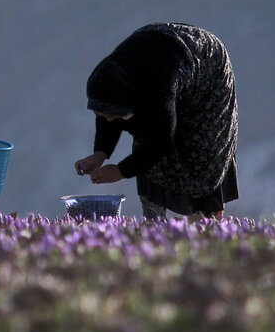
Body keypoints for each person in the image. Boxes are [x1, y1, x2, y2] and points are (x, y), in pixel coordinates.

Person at [74, 22, 239, 219]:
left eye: (113, 113)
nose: (108, 118)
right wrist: (100, 154)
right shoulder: (109, 77)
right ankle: (153, 222)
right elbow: (108, 111)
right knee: (144, 142)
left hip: (207, 70)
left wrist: (121, 171)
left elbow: (161, 139)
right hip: (158, 59)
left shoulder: (157, 84)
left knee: (202, 151)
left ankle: (205, 223)